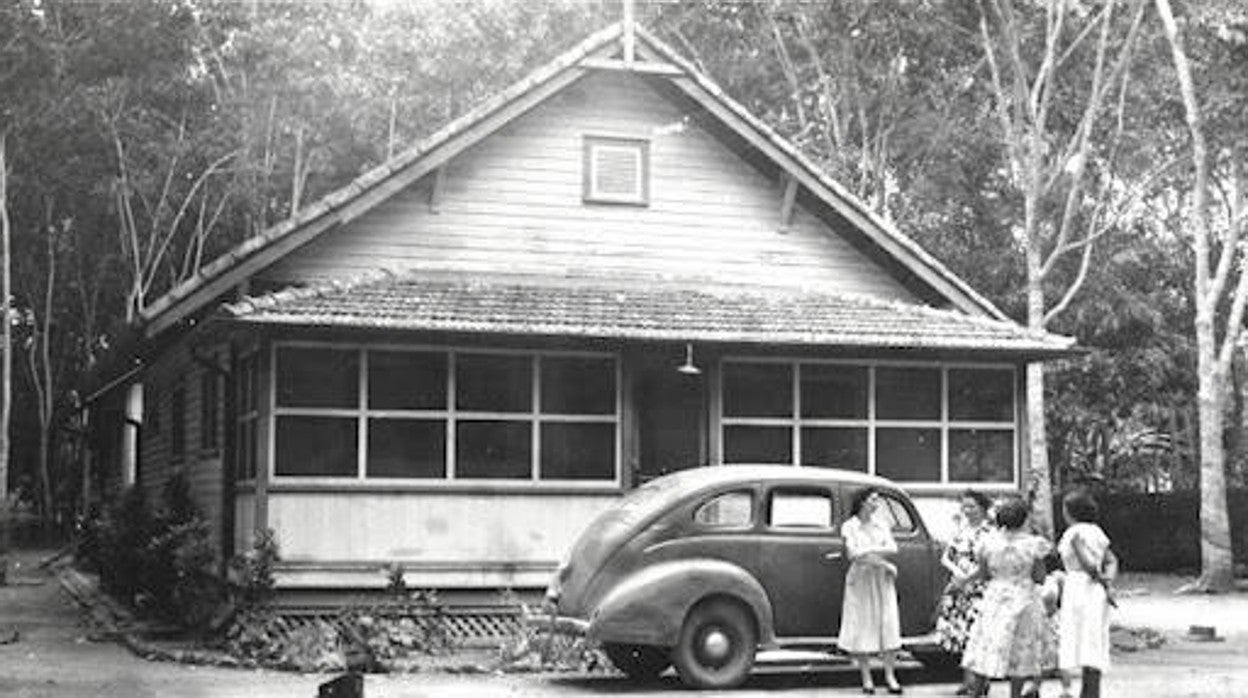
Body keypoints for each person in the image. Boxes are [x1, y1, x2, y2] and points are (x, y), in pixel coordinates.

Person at [959, 496, 1054, 698]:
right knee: (1020, 649)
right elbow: (1039, 577)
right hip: (1024, 599)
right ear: (1024, 519)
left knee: (986, 644)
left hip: (995, 597)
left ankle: (977, 691)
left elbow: (983, 574)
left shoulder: (988, 542)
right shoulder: (1033, 545)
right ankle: (1015, 694)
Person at [839, 486, 904, 695]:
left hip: (881, 580)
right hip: (861, 580)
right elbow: (853, 554)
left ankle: (890, 676)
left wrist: (868, 553)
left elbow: (892, 548)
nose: (877, 504)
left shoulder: (882, 524)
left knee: (888, 623)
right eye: (873, 500)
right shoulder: (850, 526)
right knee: (862, 625)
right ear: (862, 502)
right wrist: (882, 562)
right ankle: (866, 678)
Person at [1057, 489, 1117, 698]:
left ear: (1069, 512)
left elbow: (1088, 565)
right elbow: (1111, 560)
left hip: (1078, 586)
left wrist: (1080, 551)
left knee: (1075, 635)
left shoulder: (1073, 533)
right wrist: (1107, 581)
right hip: (1096, 591)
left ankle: (1077, 691)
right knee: (1094, 637)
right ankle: (1091, 690)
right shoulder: (1097, 531)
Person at [934, 490, 994, 695]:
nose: (967, 511)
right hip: (959, 587)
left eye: (972, 507)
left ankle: (979, 681)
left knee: (978, 635)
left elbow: (989, 562)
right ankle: (968, 680)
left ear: (983, 508)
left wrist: (968, 577)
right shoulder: (961, 529)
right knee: (963, 636)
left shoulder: (990, 532)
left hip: (980, 588)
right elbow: (946, 556)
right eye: (965, 506)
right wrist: (957, 573)